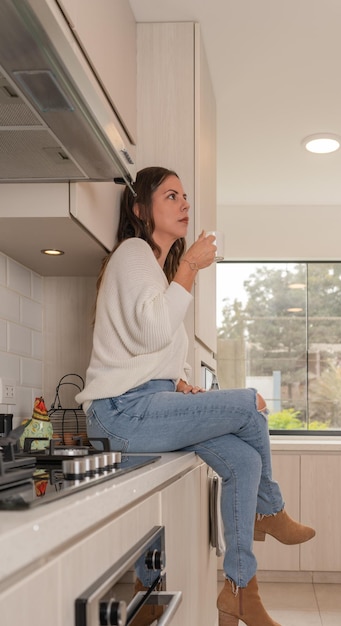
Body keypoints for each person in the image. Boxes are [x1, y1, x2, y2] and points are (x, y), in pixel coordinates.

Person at [76, 166, 315, 626]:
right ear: (140, 209)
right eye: (171, 196)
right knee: (248, 404)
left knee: (245, 462)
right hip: (121, 412)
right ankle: (271, 509)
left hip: (146, 405)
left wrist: (178, 381)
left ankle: (240, 591)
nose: (184, 204)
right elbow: (152, 332)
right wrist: (189, 267)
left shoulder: (154, 270)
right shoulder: (133, 252)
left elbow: (150, 347)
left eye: (185, 196)